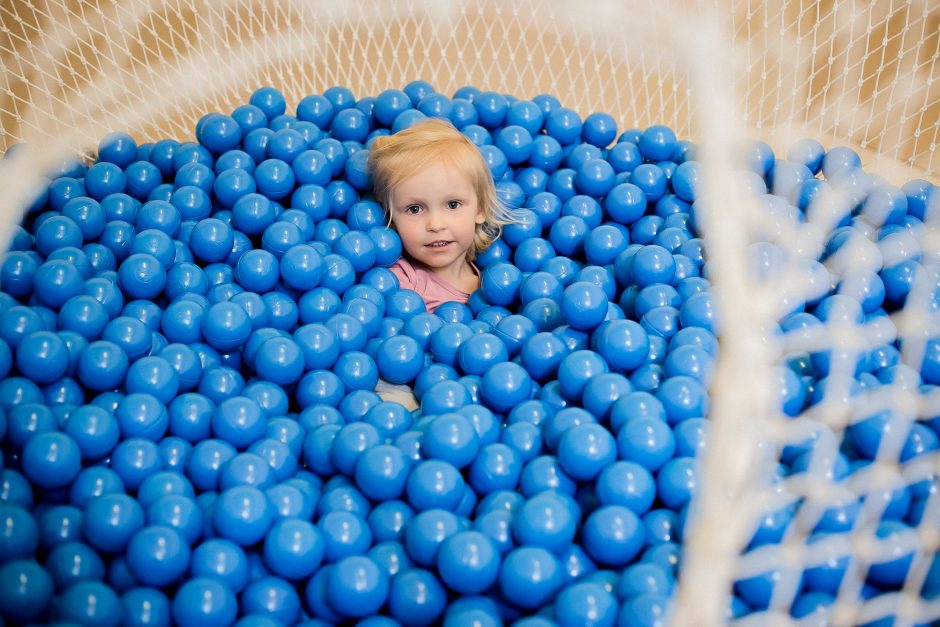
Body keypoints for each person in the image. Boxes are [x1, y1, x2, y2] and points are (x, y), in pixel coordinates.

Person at [368, 117, 517, 313]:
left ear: (480, 208)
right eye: (415, 209)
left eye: (452, 204)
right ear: (392, 216)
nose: (436, 225)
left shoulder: (498, 286)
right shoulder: (397, 281)